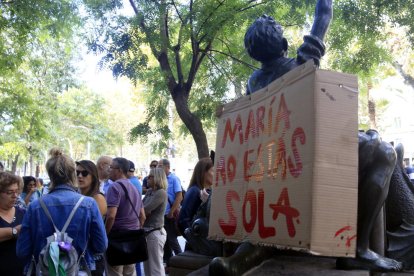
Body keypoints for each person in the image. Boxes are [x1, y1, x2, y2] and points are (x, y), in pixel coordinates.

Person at [16, 148, 108, 273]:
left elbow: (22, 251)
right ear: (72, 174)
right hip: (78, 269)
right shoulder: (88, 204)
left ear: (50, 175)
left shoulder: (35, 206)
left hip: (45, 270)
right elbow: (101, 245)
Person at [244, 0, 332, 95]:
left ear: (253, 55)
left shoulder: (252, 83)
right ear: (284, 44)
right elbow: (323, 15)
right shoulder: (301, 67)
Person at [105, 157, 146, 276]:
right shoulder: (134, 187)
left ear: (119, 170)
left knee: (115, 272)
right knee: (130, 272)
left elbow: (111, 216)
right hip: (132, 238)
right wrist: (134, 227)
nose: (109, 170)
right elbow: (142, 216)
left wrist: (105, 233)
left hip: (117, 238)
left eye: (111, 167)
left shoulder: (114, 187)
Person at [76, 160, 108, 276]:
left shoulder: (98, 198)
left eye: (84, 173)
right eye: (77, 172)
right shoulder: (78, 197)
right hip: (77, 256)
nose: (80, 176)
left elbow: (91, 229)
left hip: (93, 257)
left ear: (93, 176)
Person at [142, 168, 168, 276]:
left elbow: (145, 209)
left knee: (156, 267)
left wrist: (141, 211)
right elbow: (141, 208)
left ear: (157, 178)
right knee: (147, 267)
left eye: (150, 176)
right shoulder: (149, 191)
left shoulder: (161, 193)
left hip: (155, 232)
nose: (147, 178)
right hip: (147, 232)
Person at [158, 158, 183, 265]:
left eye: (160, 165)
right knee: (165, 241)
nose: (158, 168)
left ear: (167, 167)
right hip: (161, 215)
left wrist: (171, 212)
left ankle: (181, 261)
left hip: (169, 215)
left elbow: (179, 196)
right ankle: (170, 263)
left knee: (172, 239)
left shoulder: (173, 179)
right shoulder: (160, 179)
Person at [0, 172, 25, 275]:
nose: (15, 196)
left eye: (17, 191)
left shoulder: (23, 212)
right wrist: (14, 231)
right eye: (10, 192)